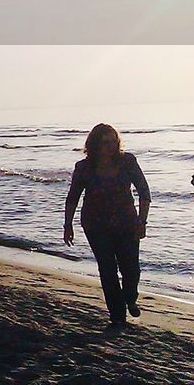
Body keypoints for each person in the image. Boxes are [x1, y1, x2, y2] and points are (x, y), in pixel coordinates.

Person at [63, 123, 151, 329]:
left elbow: (144, 192)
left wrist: (142, 221)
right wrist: (68, 225)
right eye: (105, 142)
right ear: (94, 145)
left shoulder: (127, 161)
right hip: (96, 225)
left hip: (127, 223)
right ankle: (117, 314)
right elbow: (73, 197)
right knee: (107, 269)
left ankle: (130, 298)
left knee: (131, 269)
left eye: (113, 141)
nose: (110, 146)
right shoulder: (83, 167)